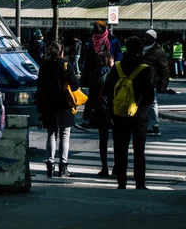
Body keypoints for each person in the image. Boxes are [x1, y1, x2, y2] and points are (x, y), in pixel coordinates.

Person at [104, 36, 154, 190]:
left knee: (121, 148)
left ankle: (122, 181)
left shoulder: (117, 67)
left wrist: (114, 107)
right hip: (138, 113)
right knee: (139, 150)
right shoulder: (144, 69)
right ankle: (140, 182)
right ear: (140, 49)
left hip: (119, 113)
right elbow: (150, 96)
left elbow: (107, 90)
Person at [37, 41, 80, 178]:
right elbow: (74, 86)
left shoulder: (44, 67)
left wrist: (40, 107)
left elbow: (40, 88)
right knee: (65, 135)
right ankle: (63, 167)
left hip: (49, 105)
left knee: (51, 134)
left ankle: (50, 166)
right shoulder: (67, 66)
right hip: (64, 105)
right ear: (62, 52)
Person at [78, 20, 122, 130]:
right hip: (95, 72)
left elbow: (118, 57)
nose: (95, 31)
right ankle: (88, 121)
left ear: (103, 29)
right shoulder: (92, 41)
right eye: (94, 29)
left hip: (109, 72)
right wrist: (84, 77)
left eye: (97, 29)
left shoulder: (112, 41)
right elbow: (87, 60)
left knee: (107, 98)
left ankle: (109, 121)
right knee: (93, 98)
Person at [88, 52, 114, 177]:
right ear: (109, 61)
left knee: (103, 140)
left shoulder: (93, 74)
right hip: (111, 108)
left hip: (99, 109)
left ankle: (104, 167)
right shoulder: (112, 73)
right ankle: (117, 165)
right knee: (117, 139)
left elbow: (91, 93)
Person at [143, 29, 169, 137]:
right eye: (144, 36)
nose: (145, 38)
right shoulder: (142, 49)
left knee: (152, 103)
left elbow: (165, 70)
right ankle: (146, 124)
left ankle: (154, 125)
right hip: (141, 80)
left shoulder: (159, 52)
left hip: (152, 81)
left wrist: (163, 85)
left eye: (147, 37)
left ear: (153, 39)